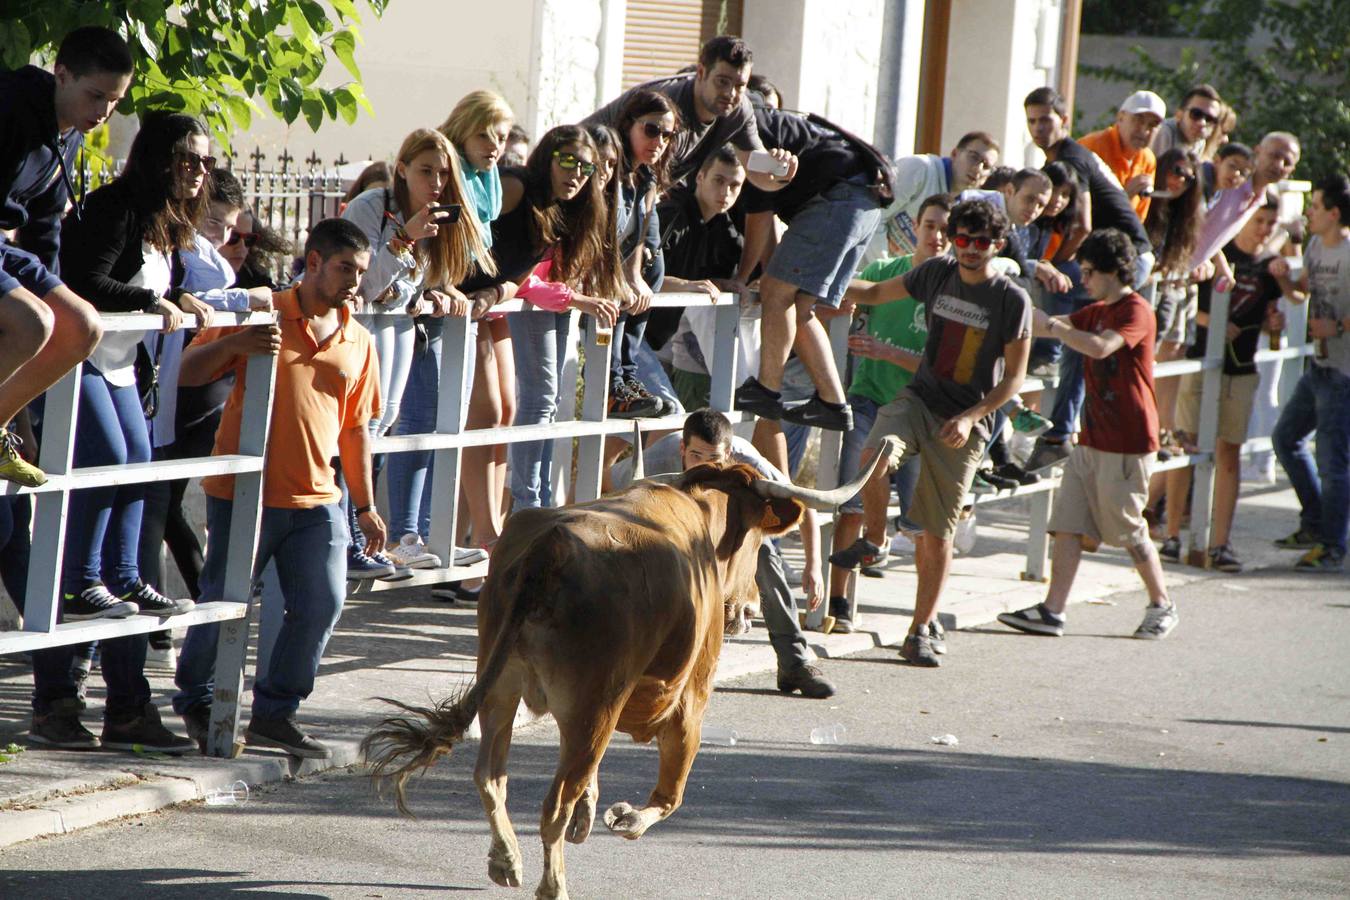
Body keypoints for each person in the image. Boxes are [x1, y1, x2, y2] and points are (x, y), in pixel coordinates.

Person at [28, 111, 216, 754]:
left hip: (120, 370)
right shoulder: (114, 208)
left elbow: (162, 283)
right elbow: (85, 284)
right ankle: (82, 586)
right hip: (76, 360)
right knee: (107, 469)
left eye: (205, 162)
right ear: (158, 158)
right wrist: (148, 305)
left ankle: (122, 580)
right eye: (188, 159)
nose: (197, 172)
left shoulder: (170, 221)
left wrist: (184, 299)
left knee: (141, 477)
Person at [173, 218, 384, 758]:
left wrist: (365, 505)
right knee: (223, 599)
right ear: (312, 262)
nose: (353, 282)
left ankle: (275, 713)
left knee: (323, 602)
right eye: (344, 269)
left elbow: (355, 428)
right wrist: (239, 341)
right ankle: (198, 702)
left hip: (318, 497)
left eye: (360, 271)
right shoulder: (262, 309)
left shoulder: (357, 338)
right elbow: (186, 372)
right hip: (243, 491)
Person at [828, 199, 1032, 667]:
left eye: (981, 242)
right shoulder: (937, 273)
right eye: (963, 239)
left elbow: (1013, 379)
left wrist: (969, 417)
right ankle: (876, 540)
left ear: (997, 245)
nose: (970, 250)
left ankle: (920, 628)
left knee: (936, 534)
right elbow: (878, 293)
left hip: (967, 418)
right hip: (919, 399)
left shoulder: (1011, 298)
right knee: (874, 455)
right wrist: (821, 285)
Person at [999, 228, 1177, 640]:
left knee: (1130, 531)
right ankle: (1052, 610)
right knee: (1068, 523)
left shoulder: (1136, 310)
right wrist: (1008, 310)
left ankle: (1162, 604)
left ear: (1115, 271)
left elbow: (1099, 347)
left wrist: (1059, 330)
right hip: (1091, 438)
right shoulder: (1094, 309)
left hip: (1129, 443)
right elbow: (1049, 325)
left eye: (1090, 271)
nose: (1083, 280)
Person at [612, 409, 835, 698]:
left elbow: (800, 500)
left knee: (764, 555)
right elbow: (608, 486)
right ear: (682, 447)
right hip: (675, 527)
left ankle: (795, 661)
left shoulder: (747, 458)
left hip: (731, 526)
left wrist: (814, 566)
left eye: (715, 459)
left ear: (729, 452)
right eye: (695, 456)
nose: (704, 466)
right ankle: (633, 662)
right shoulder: (658, 458)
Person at [341, 128, 485, 573]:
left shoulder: (437, 214)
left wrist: (439, 291)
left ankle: (379, 541)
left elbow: (417, 283)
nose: (436, 182)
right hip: (365, 329)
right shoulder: (372, 206)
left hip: (401, 326)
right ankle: (349, 540)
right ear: (402, 169)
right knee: (358, 431)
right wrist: (405, 237)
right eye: (426, 171)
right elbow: (361, 284)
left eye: (443, 173)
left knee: (382, 429)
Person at [0, 26, 132, 487]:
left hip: (3, 248)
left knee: (82, 326)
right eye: (96, 96)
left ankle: (3, 424)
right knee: (33, 321)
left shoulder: (71, 131)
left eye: (114, 101)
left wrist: (52, 292)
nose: (103, 112)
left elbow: (43, 230)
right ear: (61, 74)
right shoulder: (11, 104)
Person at [731, 93, 892, 468]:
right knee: (799, 306)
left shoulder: (751, 136)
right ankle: (833, 402)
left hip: (839, 199)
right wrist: (772, 277)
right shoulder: (781, 127)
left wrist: (742, 278)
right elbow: (766, 219)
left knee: (776, 291)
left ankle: (767, 391)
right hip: (864, 202)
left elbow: (758, 220)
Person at [825, 193, 951, 633]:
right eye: (931, 225)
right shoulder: (885, 272)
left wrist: (886, 351)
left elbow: (943, 370)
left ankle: (924, 619)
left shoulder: (954, 291)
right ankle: (837, 601)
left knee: (922, 526)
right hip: (869, 399)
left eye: (946, 229)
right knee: (852, 498)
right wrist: (835, 297)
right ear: (915, 227)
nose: (937, 236)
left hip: (921, 411)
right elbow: (849, 291)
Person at [409, 90, 517, 570]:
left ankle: (476, 532)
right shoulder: (449, 176)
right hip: (448, 311)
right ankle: (470, 536)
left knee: (501, 414)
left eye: (503, 136)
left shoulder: (488, 181)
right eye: (484, 134)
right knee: (466, 417)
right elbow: (441, 250)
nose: (495, 145)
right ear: (462, 129)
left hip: (482, 302)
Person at [1021, 86, 1154, 474]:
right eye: (1031, 121)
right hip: (1121, 257)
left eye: (1046, 119)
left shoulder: (1072, 157)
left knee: (1051, 281)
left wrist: (1051, 265)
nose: (1038, 128)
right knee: (1078, 338)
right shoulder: (1066, 156)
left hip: (1127, 259)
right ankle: (1059, 433)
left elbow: (1082, 226)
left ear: (1064, 121)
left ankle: (1044, 356)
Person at [496, 126, 623, 511]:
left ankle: (539, 500)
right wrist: (577, 298)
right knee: (539, 397)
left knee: (548, 401)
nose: (577, 174)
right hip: (521, 303)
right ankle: (528, 503)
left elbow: (557, 274)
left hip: (552, 303)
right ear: (547, 157)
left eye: (586, 167)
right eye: (567, 161)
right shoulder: (523, 192)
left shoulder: (578, 208)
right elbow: (521, 278)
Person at [1161, 198, 1283, 572]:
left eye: (1270, 222)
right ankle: (1171, 534)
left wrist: (1274, 324)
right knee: (1187, 444)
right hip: (1201, 362)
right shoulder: (1218, 251)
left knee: (1229, 453)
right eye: (1259, 220)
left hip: (1241, 367)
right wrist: (1210, 322)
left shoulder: (1269, 268)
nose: (1263, 228)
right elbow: (1184, 299)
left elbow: (1273, 322)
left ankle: (1219, 543)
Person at [1269, 174, 1350, 573]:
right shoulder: (1317, 245)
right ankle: (1315, 524)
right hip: (1318, 365)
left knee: (1333, 462)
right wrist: (1283, 275)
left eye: (1315, 206)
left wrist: (1337, 327)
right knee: (1286, 438)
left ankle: (1333, 544)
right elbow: (1301, 292)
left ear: (1334, 213)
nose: (1309, 213)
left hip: (1344, 373)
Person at [604, 89, 680, 419]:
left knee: (647, 278)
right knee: (620, 299)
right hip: (597, 280)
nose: (660, 141)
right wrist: (624, 279)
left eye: (668, 134)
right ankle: (612, 387)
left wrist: (635, 276)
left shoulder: (646, 176)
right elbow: (603, 235)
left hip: (623, 278)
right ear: (628, 125)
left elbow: (638, 238)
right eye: (651, 130)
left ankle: (627, 377)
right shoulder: (610, 171)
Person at [656, 146, 748, 412]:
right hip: (631, 333)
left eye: (735, 185)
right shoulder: (671, 215)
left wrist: (723, 283)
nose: (726, 192)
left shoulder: (724, 229)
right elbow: (635, 276)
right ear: (700, 177)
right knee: (665, 414)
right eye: (719, 181)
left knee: (655, 419)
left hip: (662, 335)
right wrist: (686, 285)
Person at [1144, 148, 1206, 455]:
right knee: (1152, 361)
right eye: (1176, 171)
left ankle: (1164, 430)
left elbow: (1201, 247)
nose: (1180, 180)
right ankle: (1151, 429)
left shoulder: (1189, 215)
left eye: (1188, 176)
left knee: (1174, 358)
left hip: (1178, 291)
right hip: (1151, 292)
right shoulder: (1145, 202)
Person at [874, 132, 1000, 259]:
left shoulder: (964, 207)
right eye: (973, 157)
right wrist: (884, 270)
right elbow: (874, 216)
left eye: (986, 166)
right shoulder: (920, 168)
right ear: (955, 154)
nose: (978, 168)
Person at [1079, 90, 1165, 221]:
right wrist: (1124, 196)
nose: (1144, 131)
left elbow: (1138, 219)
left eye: (1152, 125)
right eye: (1138, 120)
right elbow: (1077, 209)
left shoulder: (1148, 160)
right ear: (1120, 118)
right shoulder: (1091, 147)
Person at [1151, 84, 1223, 159]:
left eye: (1209, 119)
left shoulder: (1199, 142)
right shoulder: (1162, 132)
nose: (1202, 123)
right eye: (1196, 114)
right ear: (1179, 115)